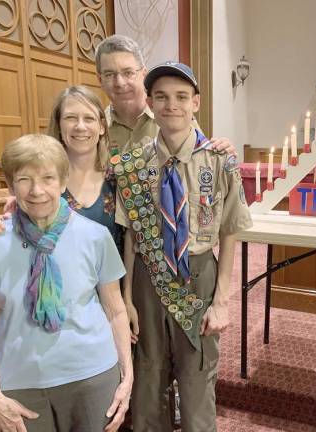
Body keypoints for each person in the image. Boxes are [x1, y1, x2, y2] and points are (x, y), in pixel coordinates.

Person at [113, 61, 252, 431]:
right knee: (148, 377)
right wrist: (127, 299)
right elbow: (130, 236)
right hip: (146, 278)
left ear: (196, 103)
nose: (170, 105)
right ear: (150, 103)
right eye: (160, 97)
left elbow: (231, 231)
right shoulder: (132, 165)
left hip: (199, 273)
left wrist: (221, 301)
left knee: (197, 377)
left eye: (180, 97)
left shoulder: (220, 161)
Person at [0, 134, 133, 432]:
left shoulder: (95, 236)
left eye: (48, 178)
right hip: (18, 383)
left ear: (63, 182)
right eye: (24, 179)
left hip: (92, 376)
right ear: (10, 184)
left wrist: (127, 378)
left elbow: (115, 311)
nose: (37, 190)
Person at [0, 86, 123, 252]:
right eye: (71, 118)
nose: (80, 126)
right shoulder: (38, 182)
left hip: (112, 275)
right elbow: (17, 231)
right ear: (59, 124)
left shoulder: (120, 176)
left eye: (89, 118)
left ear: (102, 126)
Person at [95, 34, 234, 154]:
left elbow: (200, 161)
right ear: (100, 80)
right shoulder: (95, 128)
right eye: (109, 74)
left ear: (143, 74)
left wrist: (220, 151)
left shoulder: (174, 115)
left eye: (128, 73)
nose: (119, 82)